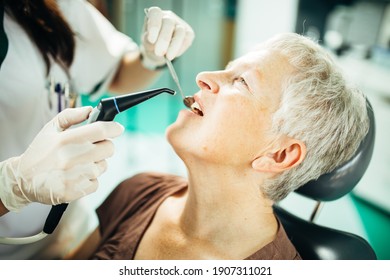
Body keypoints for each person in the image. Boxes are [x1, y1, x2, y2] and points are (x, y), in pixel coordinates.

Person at [65, 33, 370, 260]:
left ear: (279, 154)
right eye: (227, 68)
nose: (202, 77)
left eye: (241, 82)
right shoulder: (138, 191)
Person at [0, 0, 194, 259]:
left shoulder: (56, 6)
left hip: (72, 234)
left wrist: (150, 57)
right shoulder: (137, 195)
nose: (206, 81)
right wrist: (11, 187)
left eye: (241, 81)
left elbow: (117, 73)